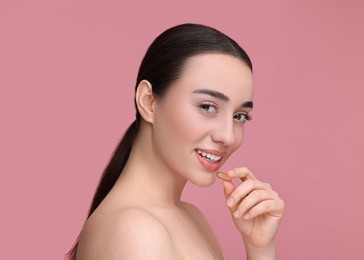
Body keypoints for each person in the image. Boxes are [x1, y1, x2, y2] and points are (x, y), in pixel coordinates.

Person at [66, 23, 285, 260]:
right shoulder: (136, 231)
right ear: (148, 101)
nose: (228, 136)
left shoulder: (191, 218)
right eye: (207, 107)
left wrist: (260, 248)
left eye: (239, 116)